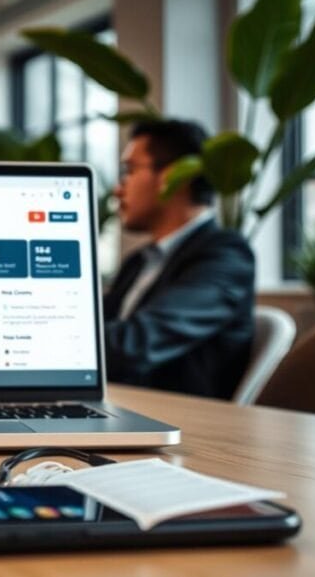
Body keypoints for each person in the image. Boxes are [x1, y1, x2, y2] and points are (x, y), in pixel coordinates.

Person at [103, 119, 255, 400]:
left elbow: (136, 345)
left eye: (129, 171)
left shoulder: (226, 255)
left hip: (179, 423)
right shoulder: (139, 262)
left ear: (173, 176)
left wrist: (51, 348)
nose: (118, 189)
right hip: (118, 404)